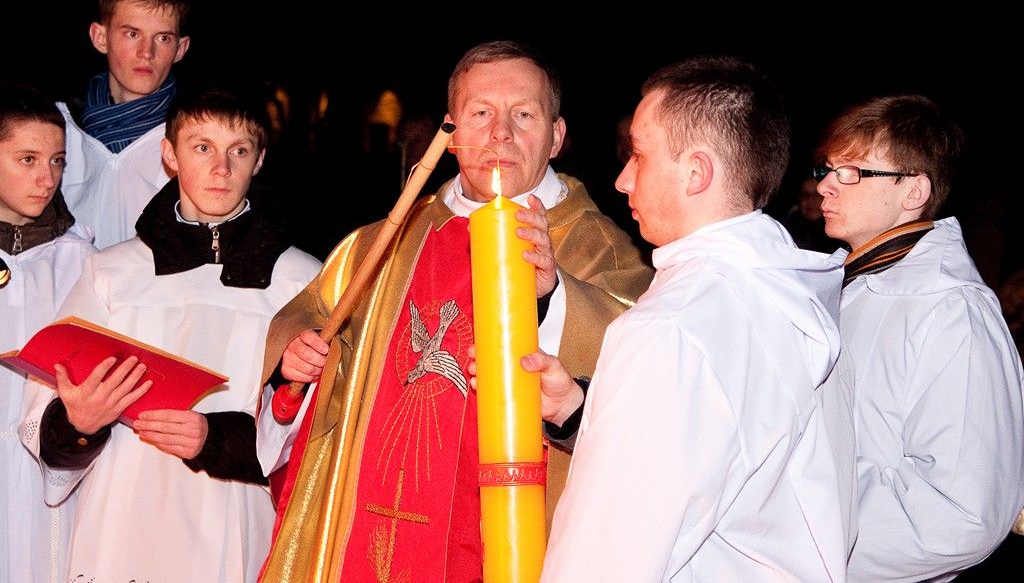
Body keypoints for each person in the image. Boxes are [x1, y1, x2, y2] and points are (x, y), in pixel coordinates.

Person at [256, 40, 654, 582]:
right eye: (481, 113)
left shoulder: (603, 250)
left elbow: (639, 374)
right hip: (367, 535)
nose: (500, 134)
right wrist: (297, 370)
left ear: (557, 136)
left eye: (523, 114)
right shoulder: (380, 245)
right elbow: (307, 346)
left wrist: (552, 297)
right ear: (451, 132)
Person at [539, 55, 853, 581]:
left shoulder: (673, 326)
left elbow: (610, 549)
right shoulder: (790, 294)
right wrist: (578, 410)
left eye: (639, 156)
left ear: (696, 172)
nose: (622, 179)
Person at [20, 84, 322, 582]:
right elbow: (43, 408)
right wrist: (78, 422)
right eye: (202, 148)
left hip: (234, 514)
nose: (221, 168)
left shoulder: (302, 282)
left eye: (238, 151)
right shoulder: (111, 273)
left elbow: (321, 433)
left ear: (260, 160)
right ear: (169, 154)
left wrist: (217, 440)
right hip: (121, 516)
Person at [812, 94, 1024, 581]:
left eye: (852, 172)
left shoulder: (950, 310)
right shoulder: (849, 286)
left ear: (914, 191)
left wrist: (794, 532)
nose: (825, 185)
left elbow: (959, 514)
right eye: (826, 169)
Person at [0, 82, 96, 583]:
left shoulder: (80, 261)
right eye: (28, 160)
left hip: (48, 478)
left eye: (57, 162)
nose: (47, 179)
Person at [59, 0, 192, 249]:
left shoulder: (198, 136)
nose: (147, 52)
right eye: (132, 34)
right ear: (100, 37)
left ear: (180, 49)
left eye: (163, 38)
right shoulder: (57, 127)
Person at [782, 174, 843, 253]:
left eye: (818, 195)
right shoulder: (785, 234)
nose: (811, 200)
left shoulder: (841, 237)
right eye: (805, 195)